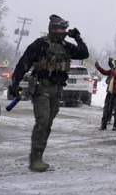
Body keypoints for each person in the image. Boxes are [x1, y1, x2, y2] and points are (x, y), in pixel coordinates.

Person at [8, 14, 89, 172]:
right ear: (52, 29)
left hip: (57, 89)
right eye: (60, 28)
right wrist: (15, 83)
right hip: (42, 88)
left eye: (65, 28)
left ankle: (39, 155)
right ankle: (35, 158)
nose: (63, 31)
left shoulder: (66, 46)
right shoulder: (40, 45)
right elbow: (23, 63)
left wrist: (78, 38)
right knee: (42, 122)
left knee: (48, 124)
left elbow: (83, 54)